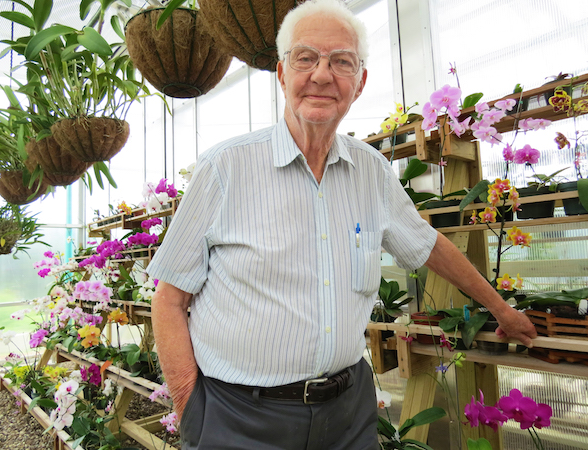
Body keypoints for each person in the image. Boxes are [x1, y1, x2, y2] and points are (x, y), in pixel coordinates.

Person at [147, 0, 537, 448]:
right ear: (281, 73)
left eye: (341, 62)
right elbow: (169, 300)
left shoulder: (370, 171)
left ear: (360, 82)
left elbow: (429, 246)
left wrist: (501, 308)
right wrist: (191, 411)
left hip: (347, 415)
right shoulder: (224, 169)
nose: (321, 75)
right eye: (305, 58)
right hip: (240, 417)